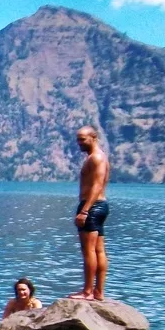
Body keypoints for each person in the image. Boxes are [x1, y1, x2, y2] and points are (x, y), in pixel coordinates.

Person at [70, 126, 110, 301]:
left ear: (93, 138)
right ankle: (98, 292)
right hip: (98, 206)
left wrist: (85, 210)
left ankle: (87, 292)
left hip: (92, 207)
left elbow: (97, 185)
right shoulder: (96, 158)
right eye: (78, 139)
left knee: (89, 252)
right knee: (99, 251)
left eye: (83, 139)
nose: (79, 143)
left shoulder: (97, 158)